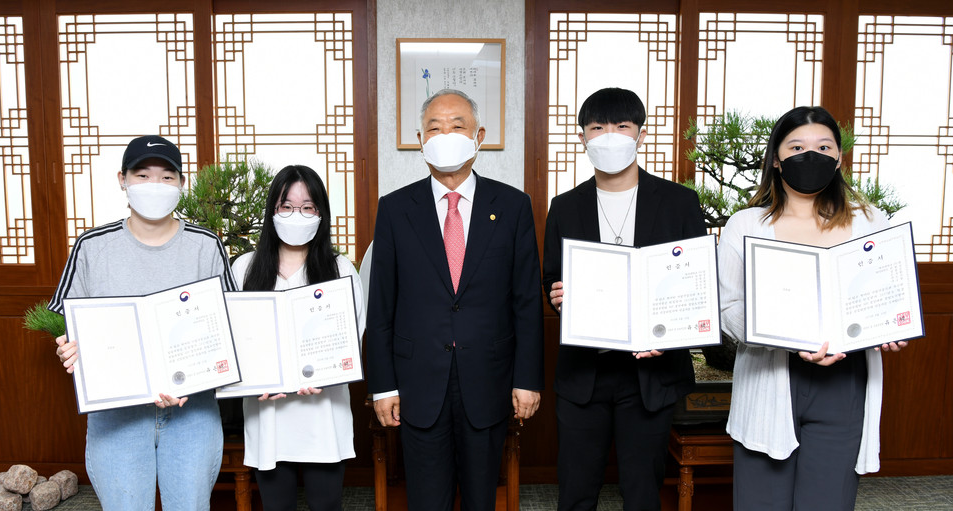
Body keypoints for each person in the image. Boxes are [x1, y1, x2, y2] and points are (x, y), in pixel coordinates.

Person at [718, 106, 906, 510]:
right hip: (768, 378)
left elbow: (887, 293)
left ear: (839, 157)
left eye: (824, 146)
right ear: (777, 158)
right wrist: (778, 334)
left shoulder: (869, 221)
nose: (812, 155)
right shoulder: (745, 224)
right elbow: (728, 306)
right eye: (797, 146)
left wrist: (890, 324)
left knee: (827, 501)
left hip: (844, 379)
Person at [366, 88, 544, 511]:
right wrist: (383, 386)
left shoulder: (514, 206)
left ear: (479, 135)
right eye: (434, 127)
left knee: (482, 498)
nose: (446, 134)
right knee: (427, 500)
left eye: (457, 125)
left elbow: (525, 302)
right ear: (420, 138)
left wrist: (528, 378)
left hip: (488, 379)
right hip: (417, 383)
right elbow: (381, 306)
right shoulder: (394, 208)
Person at [49, 135, 236, 510]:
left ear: (182, 184)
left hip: (192, 413)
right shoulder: (92, 246)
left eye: (168, 177)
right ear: (123, 180)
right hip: (116, 417)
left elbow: (230, 326)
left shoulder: (206, 245)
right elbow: (65, 319)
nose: (156, 185)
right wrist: (67, 343)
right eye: (143, 174)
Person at [543, 87, 705, 511]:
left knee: (642, 492)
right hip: (584, 373)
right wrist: (557, 294)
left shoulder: (679, 202)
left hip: (650, 374)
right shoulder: (564, 206)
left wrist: (669, 335)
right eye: (598, 127)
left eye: (621, 126)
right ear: (582, 138)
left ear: (641, 134)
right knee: (576, 492)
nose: (609, 136)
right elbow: (551, 278)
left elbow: (696, 285)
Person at [231, 164, 364, 511]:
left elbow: (356, 335)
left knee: (327, 505)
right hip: (268, 418)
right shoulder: (244, 267)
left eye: (307, 207)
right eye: (286, 206)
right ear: (272, 211)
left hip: (324, 416)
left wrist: (328, 372)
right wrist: (250, 379)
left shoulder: (340, 269)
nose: (297, 215)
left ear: (320, 214)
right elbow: (233, 340)